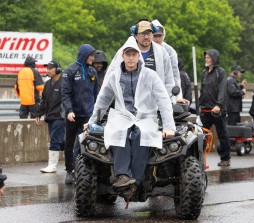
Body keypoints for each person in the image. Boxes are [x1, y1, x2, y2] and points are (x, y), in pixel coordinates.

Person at [85, 36, 175, 195]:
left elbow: (163, 100)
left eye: (134, 54)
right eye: (128, 54)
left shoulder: (151, 75)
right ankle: (123, 176)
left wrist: (168, 126)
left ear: (139, 56)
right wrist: (92, 121)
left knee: (142, 134)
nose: (131, 58)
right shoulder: (114, 76)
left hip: (145, 116)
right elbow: (102, 100)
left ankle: (137, 180)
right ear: (123, 56)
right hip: (122, 116)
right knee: (119, 133)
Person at [61, 44, 98, 184]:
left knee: (85, 143)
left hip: (88, 115)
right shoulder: (69, 71)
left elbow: (97, 94)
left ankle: (82, 170)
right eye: (91, 55)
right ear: (84, 55)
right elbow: (65, 93)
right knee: (69, 143)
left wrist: (97, 112)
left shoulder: (92, 72)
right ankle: (69, 171)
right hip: (73, 115)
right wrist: (69, 110)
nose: (93, 58)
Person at [199, 49, 231, 167]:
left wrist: (218, 105)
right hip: (205, 109)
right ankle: (199, 158)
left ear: (214, 58)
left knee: (222, 134)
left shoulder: (220, 72)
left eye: (208, 57)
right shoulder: (204, 72)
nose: (206, 59)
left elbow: (222, 90)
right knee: (201, 135)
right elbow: (203, 90)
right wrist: (199, 104)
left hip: (217, 110)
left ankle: (225, 158)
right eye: (205, 57)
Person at [130, 19, 175, 100]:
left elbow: (169, 80)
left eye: (149, 33)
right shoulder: (126, 51)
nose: (146, 37)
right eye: (142, 34)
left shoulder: (162, 52)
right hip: (132, 103)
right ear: (135, 35)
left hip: (156, 104)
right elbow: (112, 76)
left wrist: (170, 101)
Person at [35, 61, 65, 173]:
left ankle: (52, 165)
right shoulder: (47, 84)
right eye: (47, 68)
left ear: (57, 69)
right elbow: (43, 101)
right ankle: (71, 149)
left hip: (60, 116)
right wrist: (38, 113)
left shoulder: (64, 82)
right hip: (50, 116)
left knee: (54, 140)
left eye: (50, 68)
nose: (48, 70)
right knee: (60, 141)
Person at [151, 19, 189, 104]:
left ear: (163, 36)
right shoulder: (144, 49)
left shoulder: (170, 51)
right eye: (155, 36)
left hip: (165, 93)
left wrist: (178, 97)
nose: (157, 39)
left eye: (159, 36)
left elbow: (175, 74)